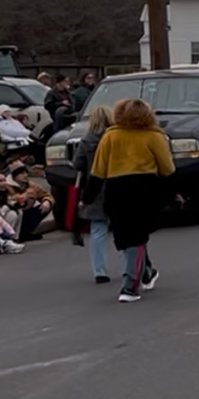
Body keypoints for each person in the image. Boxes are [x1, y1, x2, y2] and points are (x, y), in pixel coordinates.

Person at [89, 97, 174, 303]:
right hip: (145, 189)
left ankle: (131, 284)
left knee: (129, 237)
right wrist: (172, 192)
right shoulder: (154, 136)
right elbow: (167, 168)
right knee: (136, 236)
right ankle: (146, 273)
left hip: (116, 190)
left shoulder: (110, 137)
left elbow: (98, 170)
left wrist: (87, 197)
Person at [73, 104, 114, 284]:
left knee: (97, 230)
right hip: (115, 184)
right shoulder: (115, 138)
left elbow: (77, 164)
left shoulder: (87, 140)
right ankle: (130, 266)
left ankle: (100, 270)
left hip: (94, 187)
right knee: (122, 228)